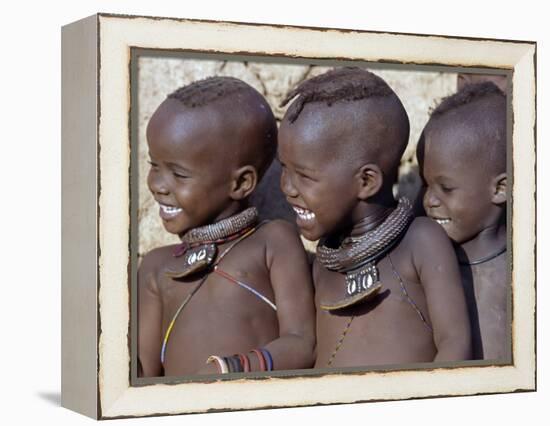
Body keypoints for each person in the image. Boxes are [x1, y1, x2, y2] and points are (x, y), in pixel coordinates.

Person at [278, 67, 471, 368]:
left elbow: (455, 343)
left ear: (366, 181)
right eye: (283, 168)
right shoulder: (326, 262)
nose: (286, 187)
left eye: (303, 176)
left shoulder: (421, 241)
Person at [138, 76, 316, 377]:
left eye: (178, 174)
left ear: (241, 183)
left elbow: (302, 343)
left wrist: (233, 369)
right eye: (154, 165)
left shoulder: (272, 241)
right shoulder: (156, 267)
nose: (157, 185)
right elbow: (144, 373)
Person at [417, 81, 508, 360]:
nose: (430, 201)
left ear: (500, 189)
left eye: (446, 188)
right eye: (425, 185)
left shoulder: (526, 268)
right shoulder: (425, 260)